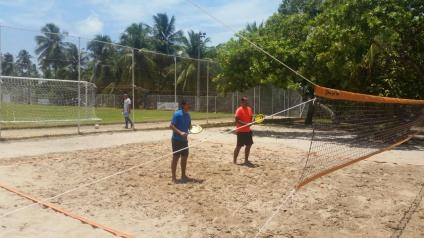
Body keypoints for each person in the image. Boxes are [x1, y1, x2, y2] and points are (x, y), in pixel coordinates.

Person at [169, 100, 192, 183]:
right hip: (176, 140)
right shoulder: (177, 114)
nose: (189, 106)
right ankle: (173, 177)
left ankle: (183, 175)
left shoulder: (188, 115)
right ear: (183, 105)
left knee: (184, 158)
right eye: (188, 104)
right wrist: (180, 132)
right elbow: (171, 126)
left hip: (184, 140)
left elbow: (189, 126)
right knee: (176, 158)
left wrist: (192, 128)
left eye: (189, 104)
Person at [233, 96, 254, 165]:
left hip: (248, 131)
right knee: (239, 146)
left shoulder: (249, 109)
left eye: (246, 101)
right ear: (241, 102)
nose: (245, 102)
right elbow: (237, 120)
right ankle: (234, 161)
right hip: (241, 131)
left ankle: (246, 160)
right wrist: (246, 124)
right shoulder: (239, 110)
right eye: (244, 101)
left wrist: (252, 122)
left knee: (249, 145)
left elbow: (251, 118)